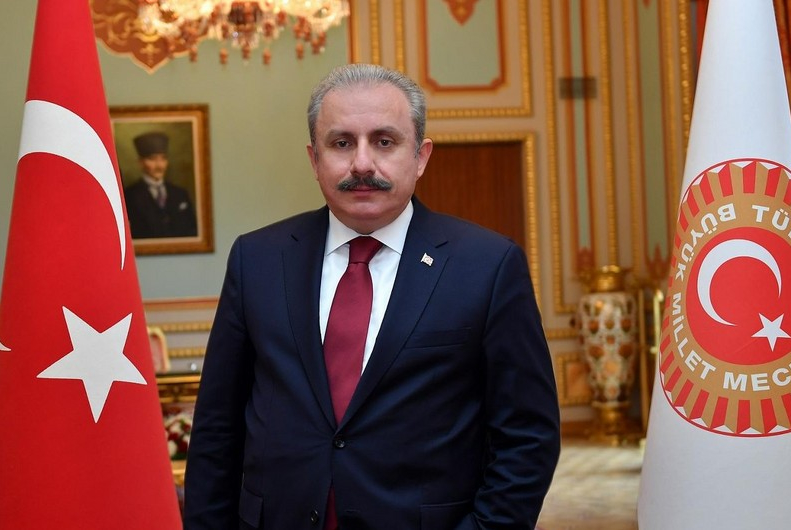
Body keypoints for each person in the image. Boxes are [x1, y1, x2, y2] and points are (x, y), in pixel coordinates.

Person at [183, 63, 560, 530]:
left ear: (420, 157)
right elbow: (217, 429)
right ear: (314, 159)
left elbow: (528, 436)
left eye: (384, 141)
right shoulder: (257, 260)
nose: (362, 164)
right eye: (341, 143)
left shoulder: (487, 266)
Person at [123, 131, 198, 239]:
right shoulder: (130, 196)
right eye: (153, 159)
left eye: (163, 158)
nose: (159, 166)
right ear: (141, 162)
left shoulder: (180, 194)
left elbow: (192, 230)